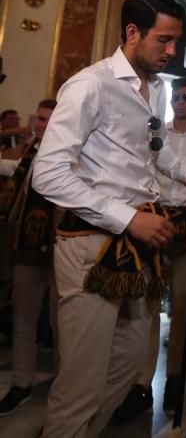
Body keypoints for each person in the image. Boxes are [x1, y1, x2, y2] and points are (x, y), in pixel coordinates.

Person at [32, 0, 186, 437]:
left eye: (176, 41)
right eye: (163, 41)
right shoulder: (90, 85)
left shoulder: (157, 87)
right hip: (91, 244)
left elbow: (156, 148)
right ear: (132, 33)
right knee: (82, 380)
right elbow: (47, 174)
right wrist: (128, 217)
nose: (172, 52)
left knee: (130, 360)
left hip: (136, 243)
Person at [114, 76, 186, 421]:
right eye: (175, 96)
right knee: (145, 301)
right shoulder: (156, 134)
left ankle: (176, 376)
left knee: (181, 304)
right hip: (152, 221)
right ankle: (140, 383)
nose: (180, 101)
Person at [0, 99, 57, 417]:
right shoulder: (29, 151)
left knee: (63, 325)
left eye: (49, 120)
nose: (41, 125)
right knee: (24, 318)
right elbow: (11, 171)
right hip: (27, 245)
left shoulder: (72, 149)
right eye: (40, 119)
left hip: (60, 243)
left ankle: (64, 390)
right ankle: (21, 384)